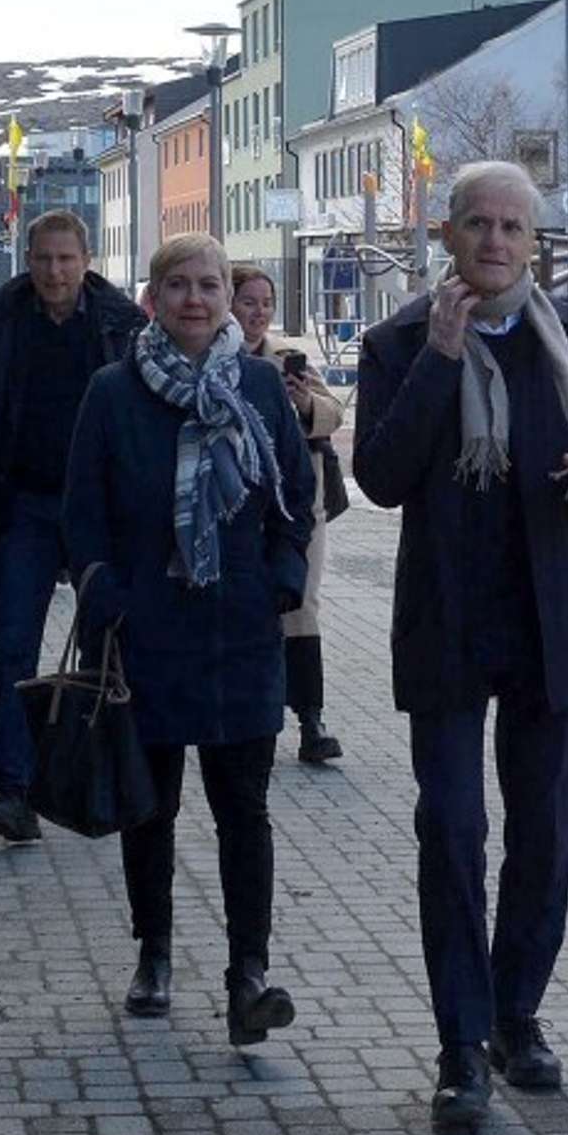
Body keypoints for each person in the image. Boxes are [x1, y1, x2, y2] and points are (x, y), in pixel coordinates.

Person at [354, 160, 568, 1134]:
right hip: (447, 619)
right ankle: (458, 1042)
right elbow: (383, 476)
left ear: (535, 242)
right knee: (450, 830)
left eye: (510, 226)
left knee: (543, 835)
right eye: (474, 223)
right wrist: (440, 360)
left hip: (549, 616)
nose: (492, 240)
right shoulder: (400, 341)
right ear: (445, 236)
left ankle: (514, 1013)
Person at [63, 233, 315, 1044]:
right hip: (150, 630)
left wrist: (282, 577)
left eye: (209, 285)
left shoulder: (259, 387)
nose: (197, 300)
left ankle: (250, 974)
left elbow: (293, 494)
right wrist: (105, 589)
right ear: (154, 298)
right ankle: (155, 953)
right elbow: (83, 509)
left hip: (241, 628)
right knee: (153, 806)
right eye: (179, 285)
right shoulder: (113, 391)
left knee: (244, 808)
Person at [0, 210, 144, 844]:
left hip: (98, 512)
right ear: (27, 260)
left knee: (108, 652)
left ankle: (102, 784)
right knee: (14, 651)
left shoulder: (123, 329)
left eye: (66, 259)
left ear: (86, 260)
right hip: (23, 508)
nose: (55, 271)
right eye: (43, 259)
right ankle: (14, 791)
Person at [231, 264, 347, 764]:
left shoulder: (285, 357)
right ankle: (249, 714)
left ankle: (310, 718)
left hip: (298, 501)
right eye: (248, 302)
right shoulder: (215, 356)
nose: (259, 313)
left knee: (301, 602)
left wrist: (304, 405)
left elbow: (333, 411)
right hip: (236, 499)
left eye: (266, 303)